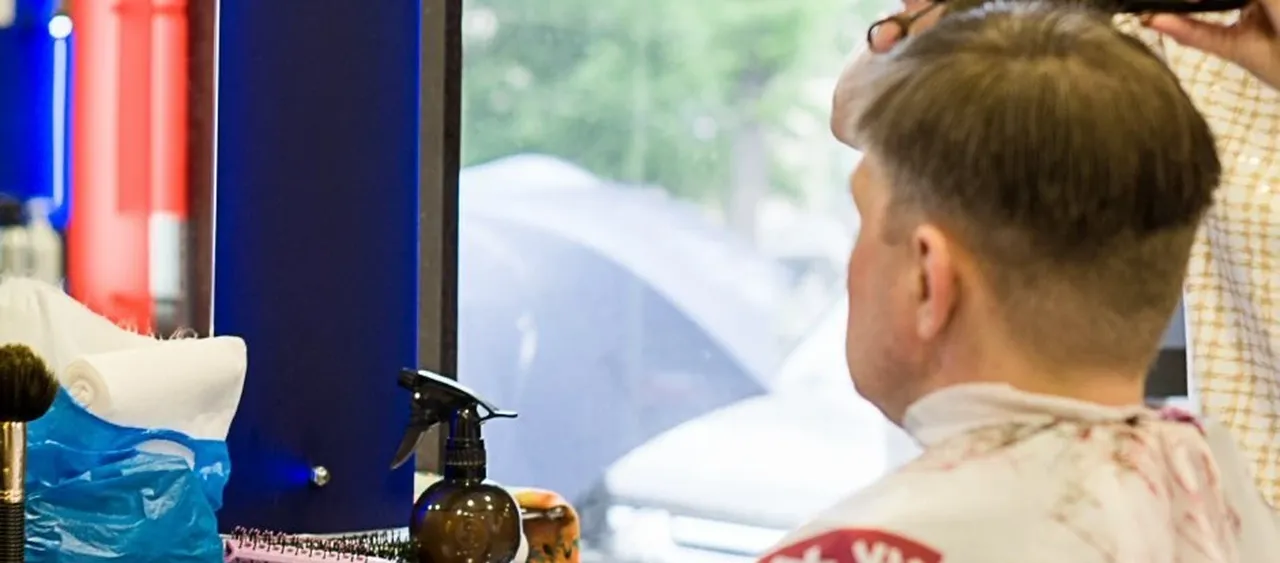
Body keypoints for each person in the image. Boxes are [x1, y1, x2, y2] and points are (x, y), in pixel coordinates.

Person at [758, 4, 1280, 562]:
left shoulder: (860, 550)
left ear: (929, 279)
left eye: (861, 222)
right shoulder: (1212, 490)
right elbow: (861, 110)